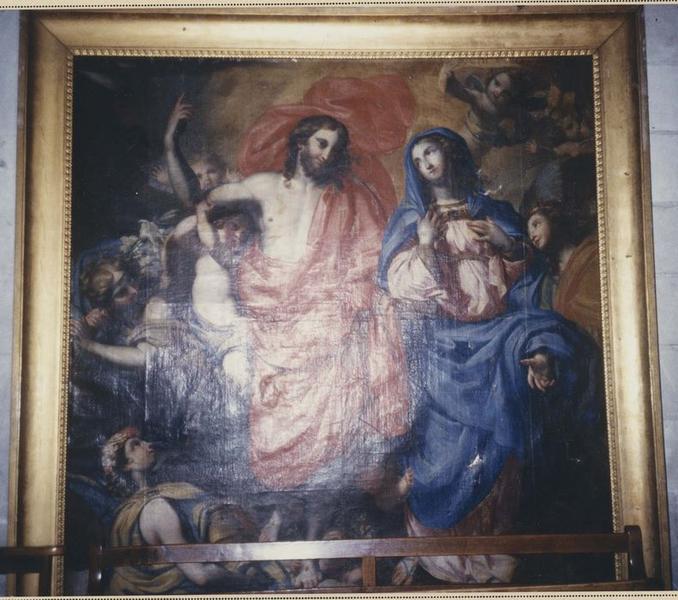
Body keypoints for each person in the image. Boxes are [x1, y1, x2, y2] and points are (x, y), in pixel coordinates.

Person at [378, 128, 599, 585]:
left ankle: (490, 546)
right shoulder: (412, 220)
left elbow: (531, 277)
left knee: (501, 440)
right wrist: (425, 243)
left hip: (497, 333)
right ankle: (438, 553)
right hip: (444, 345)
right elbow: (398, 287)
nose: (426, 164)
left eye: (431, 152)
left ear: (450, 151)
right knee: (443, 451)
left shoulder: (492, 211)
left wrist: (506, 243)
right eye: (417, 160)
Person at [207, 113, 410, 588]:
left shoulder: (349, 198)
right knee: (275, 441)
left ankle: (313, 552)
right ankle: (283, 524)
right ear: (300, 143)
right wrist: (204, 228)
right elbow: (205, 203)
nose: (326, 154)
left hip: (328, 328)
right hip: (275, 327)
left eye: (334, 147)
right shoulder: (262, 187)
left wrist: (346, 298)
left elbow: (369, 258)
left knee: (327, 448)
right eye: (320, 143)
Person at [101, 427, 286, 594]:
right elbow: (200, 575)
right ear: (127, 464)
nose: (148, 445)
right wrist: (248, 582)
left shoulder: (148, 501)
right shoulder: (156, 509)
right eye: (136, 445)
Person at [526, 204, 601, 346]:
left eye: (536, 225)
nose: (532, 235)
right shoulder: (549, 281)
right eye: (529, 232)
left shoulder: (591, 254)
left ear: (554, 220)